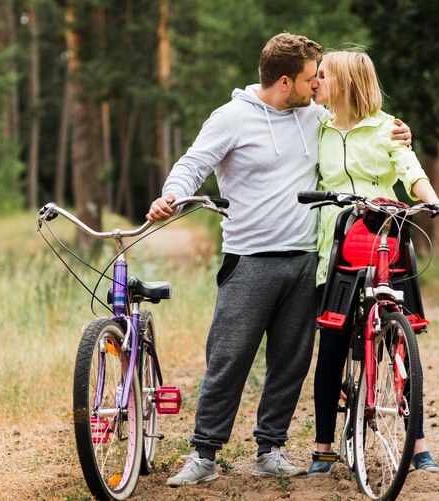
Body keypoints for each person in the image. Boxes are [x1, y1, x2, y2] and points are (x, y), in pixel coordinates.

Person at [147, 33, 411, 486]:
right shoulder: (229, 119)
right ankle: (203, 455)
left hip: (306, 259)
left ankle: (270, 448)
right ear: (285, 82)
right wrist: (172, 195)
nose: (318, 85)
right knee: (229, 358)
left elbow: (363, 121)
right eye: (311, 77)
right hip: (249, 259)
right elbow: (193, 164)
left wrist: (401, 131)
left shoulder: (317, 116)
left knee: (291, 361)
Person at [306, 48, 439, 475]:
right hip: (335, 243)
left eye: (324, 75)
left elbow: (410, 171)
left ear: (347, 82)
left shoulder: (387, 129)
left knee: (401, 341)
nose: (316, 81)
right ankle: (323, 447)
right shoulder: (316, 124)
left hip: (384, 238)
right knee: (332, 347)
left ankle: (418, 445)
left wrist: (435, 203)